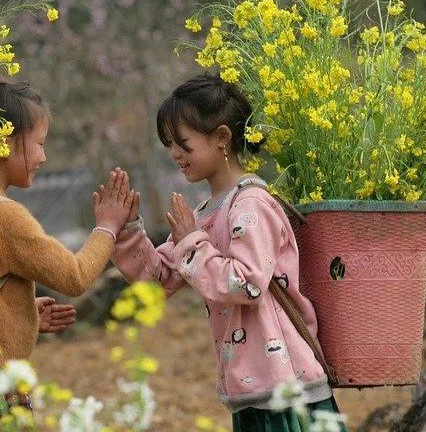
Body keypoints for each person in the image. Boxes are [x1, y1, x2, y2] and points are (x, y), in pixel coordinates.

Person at [113, 74, 347, 431]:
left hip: (286, 386)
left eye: (183, 143)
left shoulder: (252, 204)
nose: (174, 153)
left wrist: (191, 242)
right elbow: (157, 281)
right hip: (248, 386)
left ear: (222, 137)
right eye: (169, 144)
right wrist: (126, 229)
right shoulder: (206, 213)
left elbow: (246, 283)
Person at [0, 79, 135, 422]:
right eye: (39, 144)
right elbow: (75, 276)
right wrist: (108, 227)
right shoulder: (2, 215)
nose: (43, 157)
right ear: (5, 145)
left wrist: (22, 316)